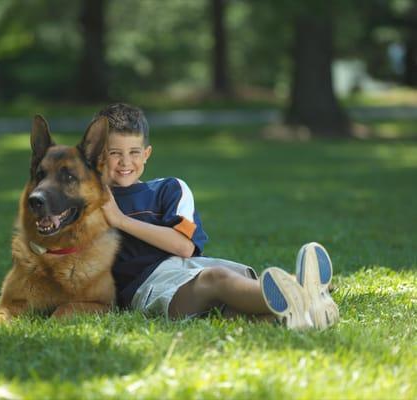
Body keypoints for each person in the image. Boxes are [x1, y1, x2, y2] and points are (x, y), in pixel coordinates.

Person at [97, 103, 339, 330]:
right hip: (149, 287)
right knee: (217, 279)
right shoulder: (91, 202)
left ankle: (307, 313)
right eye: (115, 153)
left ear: (147, 153)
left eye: (134, 152)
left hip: (191, 268)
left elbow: (183, 246)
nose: (125, 162)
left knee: (236, 305)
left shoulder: (169, 189)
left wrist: (120, 220)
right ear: (98, 155)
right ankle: (309, 294)